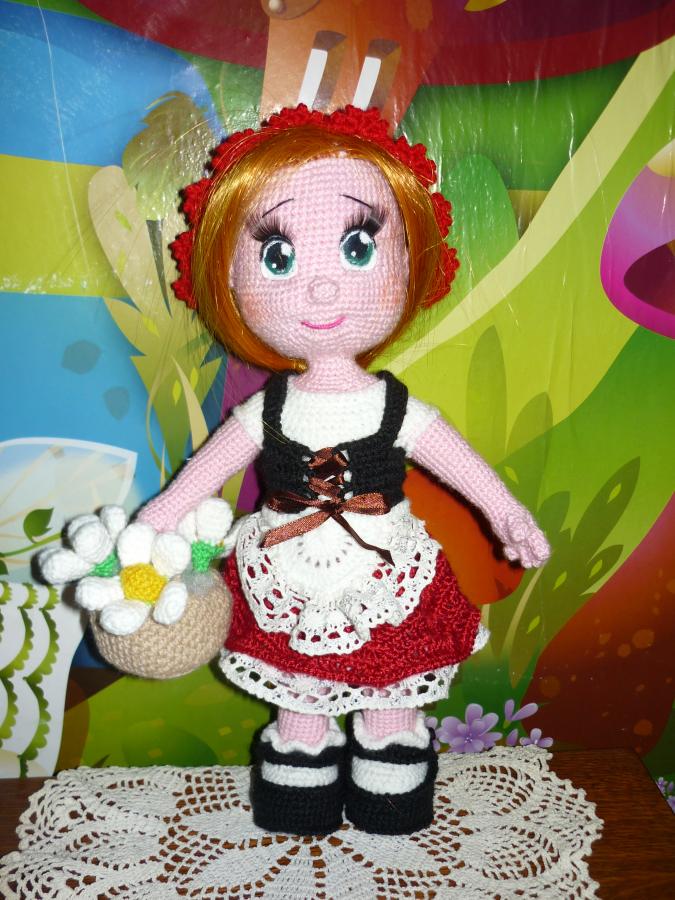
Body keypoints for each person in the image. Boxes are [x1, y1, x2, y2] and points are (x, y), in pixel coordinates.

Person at [97, 106, 552, 836]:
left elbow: (464, 467)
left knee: (392, 685)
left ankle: (391, 782)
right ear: (232, 280)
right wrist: (153, 526)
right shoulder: (267, 410)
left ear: (409, 260)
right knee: (298, 693)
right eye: (278, 257)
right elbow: (197, 479)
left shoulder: (394, 407)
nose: (320, 289)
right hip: (286, 569)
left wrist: (507, 513)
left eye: (357, 247)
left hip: (384, 567)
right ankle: (298, 785)